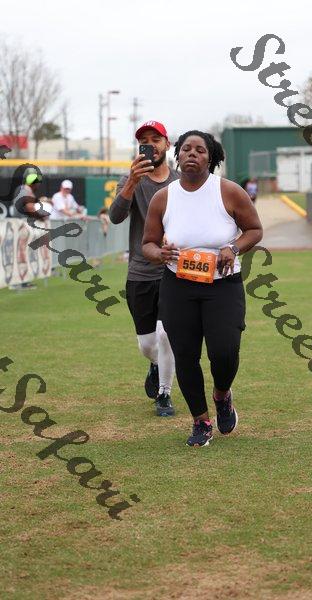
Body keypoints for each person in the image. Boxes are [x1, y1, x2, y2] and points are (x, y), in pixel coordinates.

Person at [142, 130, 263, 446]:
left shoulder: (229, 191)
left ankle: (222, 395)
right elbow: (148, 244)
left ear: (211, 158)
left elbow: (254, 230)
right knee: (185, 355)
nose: (192, 154)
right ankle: (201, 422)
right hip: (178, 286)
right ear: (177, 155)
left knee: (225, 351)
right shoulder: (163, 198)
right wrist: (160, 253)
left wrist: (233, 248)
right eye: (186, 149)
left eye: (200, 150)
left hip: (223, 285)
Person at [109, 120, 178, 416]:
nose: (150, 145)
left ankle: (164, 393)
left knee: (166, 336)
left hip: (175, 271)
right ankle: (155, 364)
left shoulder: (181, 181)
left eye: (155, 139)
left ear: (167, 144)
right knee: (147, 344)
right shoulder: (131, 180)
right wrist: (131, 183)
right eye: (144, 141)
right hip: (140, 272)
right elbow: (115, 217)